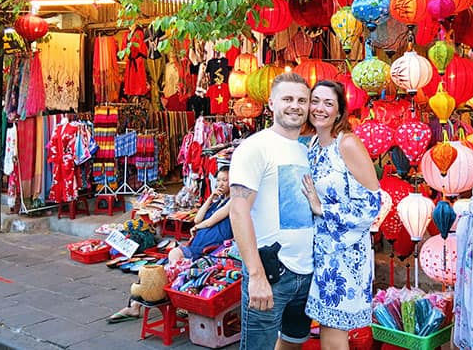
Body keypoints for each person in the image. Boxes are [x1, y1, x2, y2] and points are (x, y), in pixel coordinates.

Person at [228, 72, 314, 349]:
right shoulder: (256, 147)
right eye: (287, 98)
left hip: (307, 270)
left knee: (293, 342)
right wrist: (255, 275)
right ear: (271, 103)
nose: (295, 105)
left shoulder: (307, 150)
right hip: (272, 272)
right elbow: (238, 210)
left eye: (302, 100)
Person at [301, 80, 381, 350]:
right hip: (320, 249)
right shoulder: (312, 145)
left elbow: (372, 203)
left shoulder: (346, 144)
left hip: (345, 252)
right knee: (326, 328)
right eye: (315, 101)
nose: (319, 108)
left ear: (339, 111)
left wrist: (322, 208)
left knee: (334, 334)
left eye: (328, 103)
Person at [107, 168, 233, 323]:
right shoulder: (217, 201)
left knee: (173, 258)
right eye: (219, 180)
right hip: (198, 244)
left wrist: (196, 228)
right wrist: (209, 199)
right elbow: (197, 219)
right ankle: (137, 303)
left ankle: (152, 300)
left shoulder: (233, 201)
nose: (220, 184)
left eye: (225, 180)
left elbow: (212, 220)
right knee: (161, 268)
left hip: (209, 248)